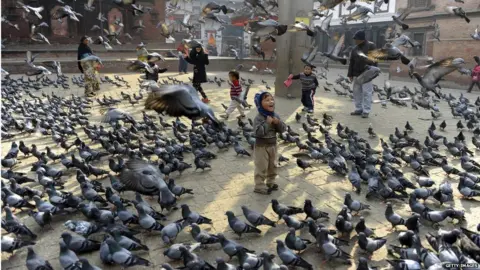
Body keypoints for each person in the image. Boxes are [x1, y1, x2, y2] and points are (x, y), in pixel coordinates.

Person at [252, 91, 286, 195]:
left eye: (272, 99)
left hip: (273, 145)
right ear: (259, 104)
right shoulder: (258, 118)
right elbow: (258, 133)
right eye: (267, 100)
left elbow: (283, 129)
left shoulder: (275, 115)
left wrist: (278, 123)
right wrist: (267, 123)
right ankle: (259, 186)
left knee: (273, 166)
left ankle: (270, 182)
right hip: (261, 147)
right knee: (261, 166)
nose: (271, 101)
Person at [347, 30, 377, 118]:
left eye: (356, 39)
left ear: (361, 39)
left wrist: (373, 71)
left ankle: (366, 111)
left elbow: (375, 59)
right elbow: (351, 62)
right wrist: (350, 74)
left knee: (367, 92)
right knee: (356, 92)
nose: (355, 41)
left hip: (367, 73)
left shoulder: (371, 46)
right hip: (356, 73)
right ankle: (358, 109)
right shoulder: (354, 49)